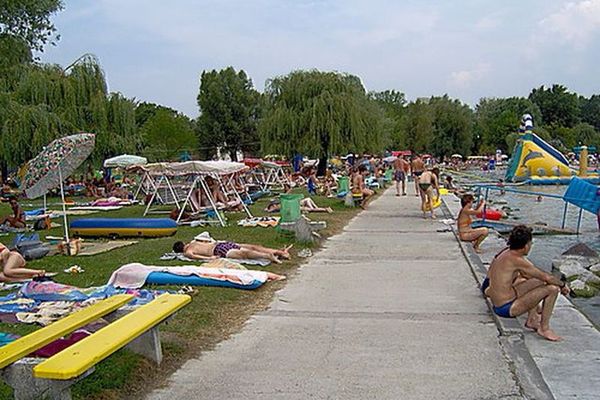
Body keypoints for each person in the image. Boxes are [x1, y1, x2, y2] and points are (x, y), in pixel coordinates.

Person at [486, 225, 569, 341]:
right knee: (553, 289)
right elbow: (546, 277)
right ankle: (544, 328)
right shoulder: (517, 260)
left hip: (502, 299)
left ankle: (532, 319)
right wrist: (563, 285)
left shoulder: (506, 253)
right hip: (506, 308)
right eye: (530, 244)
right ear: (525, 246)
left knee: (539, 281)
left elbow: (536, 276)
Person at [173, 238, 292, 265]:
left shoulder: (188, 250)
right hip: (221, 244)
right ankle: (279, 252)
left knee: (244, 254)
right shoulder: (193, 242)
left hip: (218, 250)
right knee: (251, 247)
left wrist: (210, 258)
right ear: (184, 243)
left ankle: (267, 255)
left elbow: (192, 256)